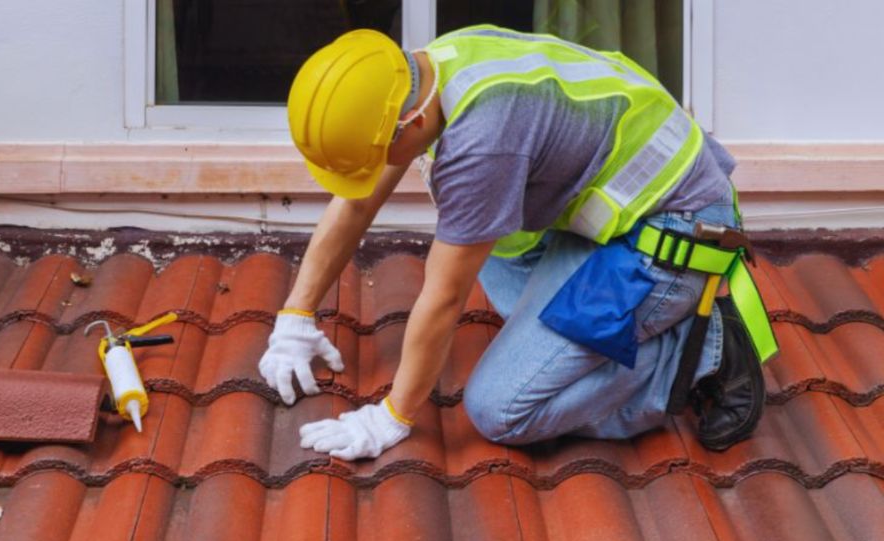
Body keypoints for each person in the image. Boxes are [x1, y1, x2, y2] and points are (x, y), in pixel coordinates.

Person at [257, 25, 778, 461]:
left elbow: (442, 297)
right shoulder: (433, 67)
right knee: (494, 247)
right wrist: (296, 317)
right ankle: (611, 329)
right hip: (621, 213)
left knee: (500, 409)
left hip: (675, 232)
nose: (378, 173)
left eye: (379, 156)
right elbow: (356, 203)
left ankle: (696, 354)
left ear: (408, 123)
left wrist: (391, 416)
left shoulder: (483, 142)